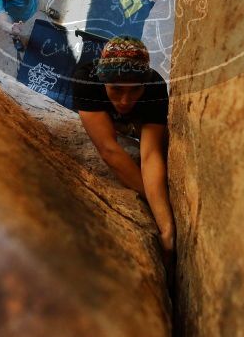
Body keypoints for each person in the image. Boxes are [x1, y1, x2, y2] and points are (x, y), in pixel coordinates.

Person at [72, 36, 175, 258]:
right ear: (103, 82)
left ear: (144, 85)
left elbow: (150, 154)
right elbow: (109, 149)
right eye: (117, 89)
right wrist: (155, 205)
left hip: (137, 119)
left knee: (161, 140)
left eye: (134, 90)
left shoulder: (154, 87)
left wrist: (167, 230)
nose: (126, 100)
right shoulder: (87, 80)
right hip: (110, 117)